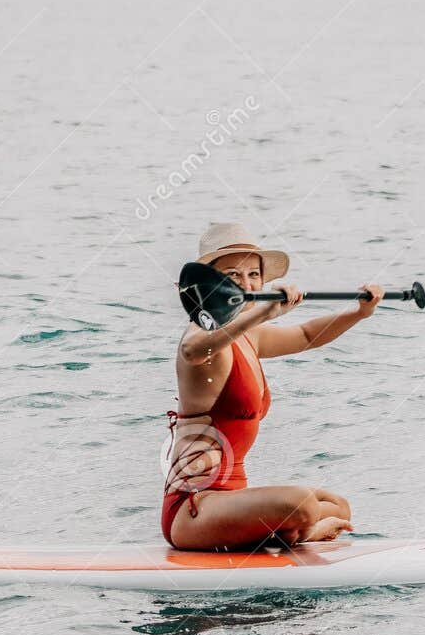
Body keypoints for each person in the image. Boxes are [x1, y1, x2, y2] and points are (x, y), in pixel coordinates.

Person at [161, 222, 384, 551]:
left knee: (337, 505)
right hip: (194, 508)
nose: (247, 283)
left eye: (254, 274)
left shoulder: (249, 336)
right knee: (303, 505)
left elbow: (307, 336)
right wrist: (261, 314)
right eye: (233, 275)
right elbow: (193, 351)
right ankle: (299, 531)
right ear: (208, 282)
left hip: (231, 502)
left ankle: (285, 531)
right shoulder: (202, 333)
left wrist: (359, 313)